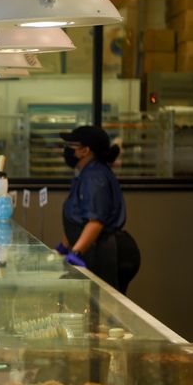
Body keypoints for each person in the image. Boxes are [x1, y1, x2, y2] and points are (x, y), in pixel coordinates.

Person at [57, 125, 140, 294]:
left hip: (108, 251)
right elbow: (77, 217)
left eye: (71, 146)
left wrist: (76, 253)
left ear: (85, 151)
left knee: (106, 305)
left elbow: (96, 222)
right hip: (94, 248)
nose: (66, 151)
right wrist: (63, 247)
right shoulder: (85, 174)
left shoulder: (95, 177)